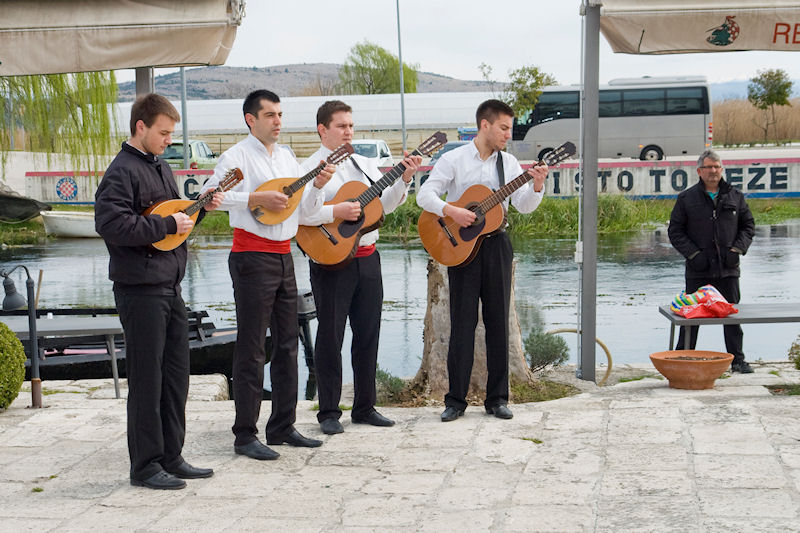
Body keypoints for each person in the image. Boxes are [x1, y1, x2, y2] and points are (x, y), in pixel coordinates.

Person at [95, 93, 223, 490]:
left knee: (175, 377)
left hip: (169, 287)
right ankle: (145, 466)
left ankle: (171, 456)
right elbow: (111, 225)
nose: (169, 140)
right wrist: (167, 226)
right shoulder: (121, 171)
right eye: (164, 133)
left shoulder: (161, 167)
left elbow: (175, 225)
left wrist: (200, 211)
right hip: (140, 290)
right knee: (147, 380)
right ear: (141, 127)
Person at [201, 89, 335, 460]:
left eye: (280, 114)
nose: (278, 121)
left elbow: (305, 211)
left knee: (289, 343)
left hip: (284, 255)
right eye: (270, 115)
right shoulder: (236, 157)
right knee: (252, 345)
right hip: (250, 256)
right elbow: (210, 197)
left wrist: (318, 186)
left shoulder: (288, 157)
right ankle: (245, 434)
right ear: (251, 119)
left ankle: (282, 426)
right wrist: (255, 198)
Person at [416, 99, 548, 422]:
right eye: (503, 128)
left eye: (510, 129)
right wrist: (452, 211)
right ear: (484, 125)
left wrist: (538, 184)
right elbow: (424, 195)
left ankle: (497, 399)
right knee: (462, 324)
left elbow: (524, 206)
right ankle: (455, 401)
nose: (508, 134)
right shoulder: (454, 159)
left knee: (498, 323)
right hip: (461, 248)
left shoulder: (510, 164)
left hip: (496, 246)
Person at [299, 100, 421, 435]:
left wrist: (404, 179)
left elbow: (384, 206)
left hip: (368, 257)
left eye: (351, 126)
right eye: (341, 126)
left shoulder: (365, 164)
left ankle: (365, 407)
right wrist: (335, 211)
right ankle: (328, 412)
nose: (348, 132)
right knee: (330, 336)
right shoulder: (309, 167)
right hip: (330, 260)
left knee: (368, 334)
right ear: (322, 130)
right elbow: (302, 214)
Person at [668, 149, 756, 373]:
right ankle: (681, 359)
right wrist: (693, 255)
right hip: (698, 269)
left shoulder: (735, 196)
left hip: (728, 269)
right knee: (691, 318)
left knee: (732, 317)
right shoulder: (687, 198)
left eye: (717, 167)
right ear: (699, 171)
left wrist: (737, 249)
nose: (713, 171)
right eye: (709, 167)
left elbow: (748, 226)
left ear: (722, 169)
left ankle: (737, 361)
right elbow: (675, 231)